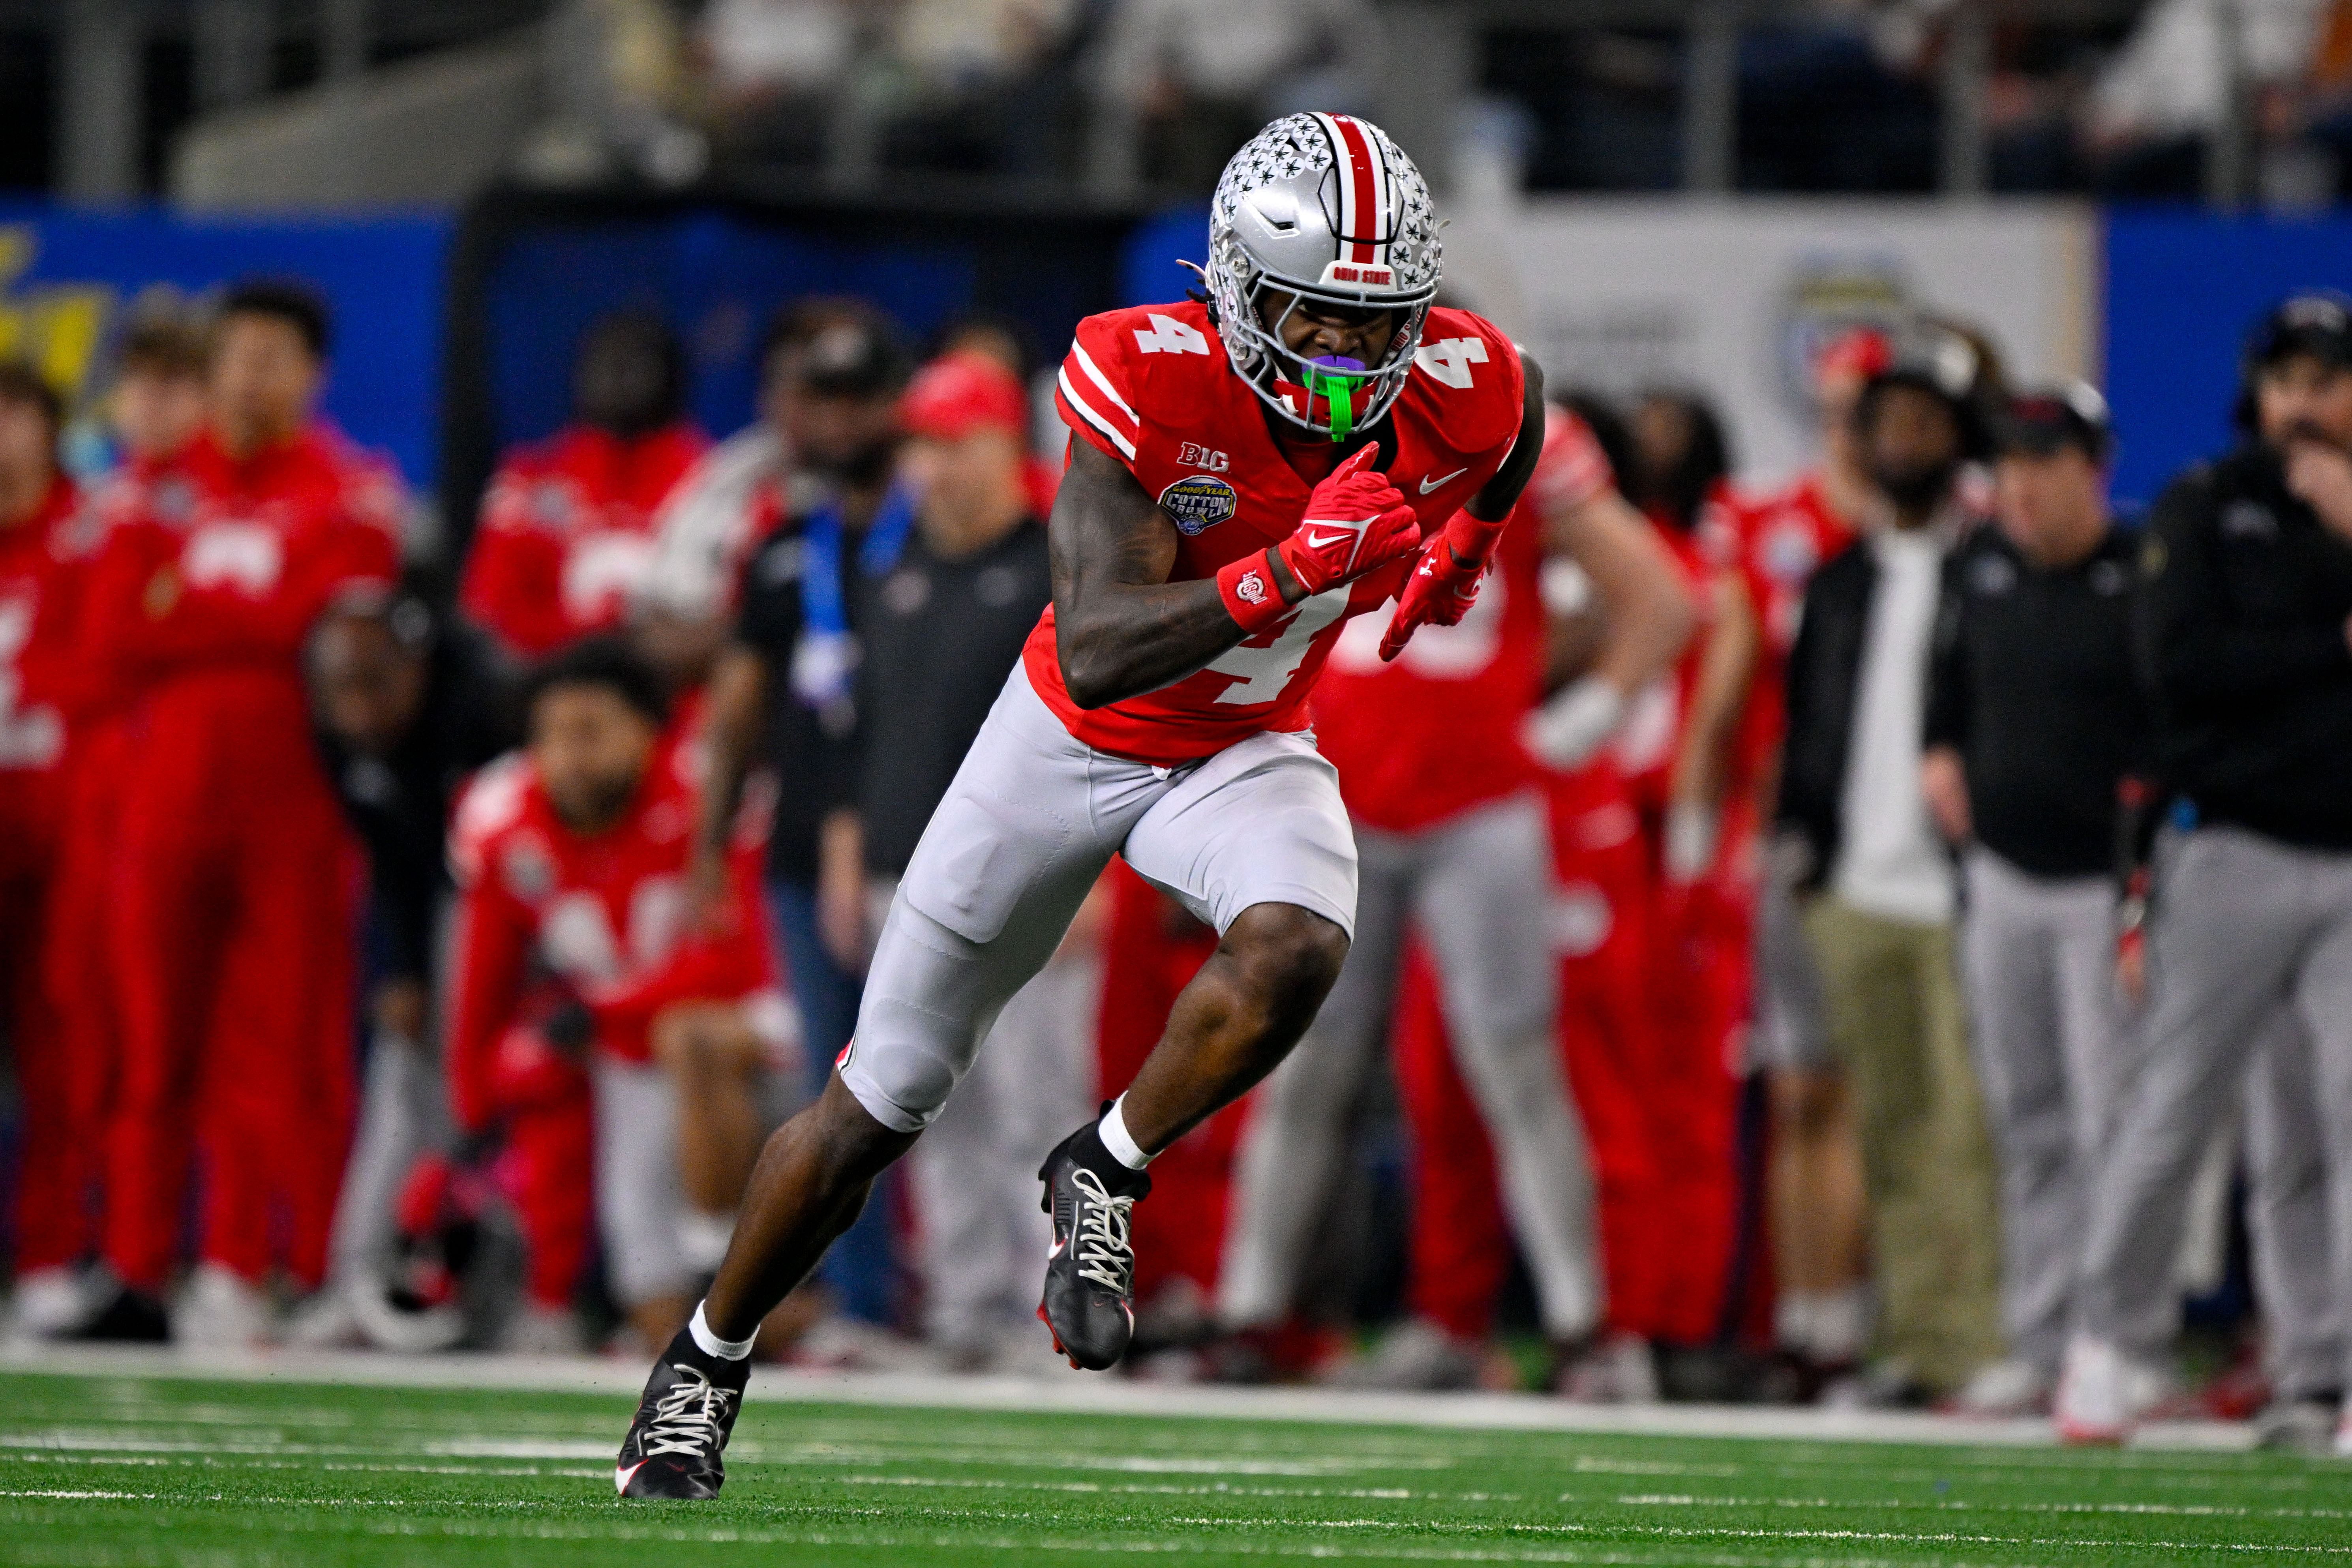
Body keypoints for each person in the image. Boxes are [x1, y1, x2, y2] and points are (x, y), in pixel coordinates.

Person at [615, 111, 1544, 1499]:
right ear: (1235, 286)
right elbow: (1099, 641)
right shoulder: (1141, 371)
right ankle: (700, 1362)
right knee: (877, 1102)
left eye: (1376, 324)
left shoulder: (1453, 382)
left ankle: (1101, 1169)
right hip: (1063, 739)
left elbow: (1515, 410)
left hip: (1241, 744)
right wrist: (1290, 567)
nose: (1351, 361)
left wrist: (1463, 548)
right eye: (1316, 320)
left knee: (1297, 944)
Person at [1219, 394, 1690, 1392]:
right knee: (1302, 1061)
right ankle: (1250, 1312)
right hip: (1338, 793)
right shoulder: (1300, 412)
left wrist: (1582, 718)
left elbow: (1662, 597)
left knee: (1514, 1066)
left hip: (1474, 805)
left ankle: (1586, 1327)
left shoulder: (1522, 430)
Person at [2056, 293, 2352, 1452]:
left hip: (2349, 855)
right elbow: (2180, 667)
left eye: (2326, 377)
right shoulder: (2206, 504)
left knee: (2336, 1120)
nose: (2305, 401)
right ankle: (2105, 1339)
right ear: (2256, 394)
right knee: (2173, 1109)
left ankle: (2324, 1369)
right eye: (2286, 379)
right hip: (2228, 845)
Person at [84, 281, 405, 1345]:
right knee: (151, 1046)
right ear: (214, 368)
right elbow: (113, 636)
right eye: (239, 356)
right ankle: (137, 1271)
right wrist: (259, 621)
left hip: (294, 805)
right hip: (166, 801)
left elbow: (339, 633)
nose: (254, 376)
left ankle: (273, 1264)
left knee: (284, 1049)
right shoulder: (146, 491)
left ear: (312, 375)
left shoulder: (351, 489)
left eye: (277, 358)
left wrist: (201, 613)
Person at [829, 350, 1074, 1370]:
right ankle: (968, 1311)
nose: (938, 467)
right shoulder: (893, 572)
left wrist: (1096, 871)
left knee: (1038, 1101)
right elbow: (868, 727)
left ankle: (1048, 1309)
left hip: (1029, 876)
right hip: (905, 870)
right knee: (925, 1104)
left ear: (1007, 447)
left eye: (959, 443)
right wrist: (849, 850)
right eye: (924, 444)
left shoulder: (1054, 562)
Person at [1774, 324, 2005, 1405]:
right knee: (1889, 1127)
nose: (1904, 438)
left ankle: (1985, 1343)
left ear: (1959, 439)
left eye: (1925, 420)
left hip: (1962, 891)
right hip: (1853, 888)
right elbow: (1806, 722)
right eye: (1887, 421)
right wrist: (1802, 847)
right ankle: (1914, 1345)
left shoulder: (1991, 570)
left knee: (1972, 1128)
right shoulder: (1837, 579)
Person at [445, 638, 788, 1352]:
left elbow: (727, 963)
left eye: (591, 732)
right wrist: (477, 1099)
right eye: (552, 735)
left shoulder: (702, 795)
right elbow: (482, 980)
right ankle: (566, 1296)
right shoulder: (506, 817)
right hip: (626, 1051)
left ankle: (727, 1273)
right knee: (649, 1294)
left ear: (647, 731)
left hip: (756, 1028)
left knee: (685, 1037)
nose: (569, 756)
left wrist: (594, 1015)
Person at [1918, 383, 2148, 1416]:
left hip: (2104, 887)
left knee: (2113, 1123)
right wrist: (1936, 752)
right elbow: (1945, 683)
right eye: (2007, 461)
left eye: (2041, 462)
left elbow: (2170, 723)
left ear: (2088, 469)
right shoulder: (1979, 565)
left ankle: (2114, 1341)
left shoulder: (2140, 575)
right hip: (2001, 877)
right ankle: (2041, 1334)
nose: (2018, 483)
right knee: (2026, 1119)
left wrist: (2149, 872)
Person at [686, 301, 913, 1343]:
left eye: (856, 399)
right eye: (818, 400)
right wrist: (704, 848)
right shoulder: (785, 544)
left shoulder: (945, 531)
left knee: (946, 1074)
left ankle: (972, 1294)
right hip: (798, 851)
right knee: (840, 1083)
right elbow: (737, 712)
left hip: (925, 844)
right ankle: (864, 1301)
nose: (835, 423)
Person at [30, 320, 211, 1342]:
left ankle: (161, 1257)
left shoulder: (197, 506)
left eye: (174, 386)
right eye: (139, 388)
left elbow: (140, 642)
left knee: (161, 1043)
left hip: (161, 790)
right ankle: (83, 1249)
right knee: (83, 1038)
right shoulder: (103, 510)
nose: (153, 408)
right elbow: (78, 652)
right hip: (85, 801)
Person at [297, 587, 516, 1347]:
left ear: (417, 668)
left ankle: (515, 1290)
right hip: (435, 901)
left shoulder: (484, 710)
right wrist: (403, 969)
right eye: (339, 691)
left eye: (372, 685)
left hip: (523, 908)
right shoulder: (341, 733)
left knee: (483, 1092)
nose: (356, 711)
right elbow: (389, 854)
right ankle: (358, 1275)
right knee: (401, 1068)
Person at [1729, 327, 1881, 1391]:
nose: (1842, 426)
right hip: (1793, 832)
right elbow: (1731, 682)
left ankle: (1860, 1318)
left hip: (1895, 841)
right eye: (1830, 404)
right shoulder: (1767, 521)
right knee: (1798, 1092)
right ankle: (1803, 1315)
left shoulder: (1934, 525)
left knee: (1886, 1093)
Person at [0, 363, 88, 1338]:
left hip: (63, 829)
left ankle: (53, 1251)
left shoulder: (90, 533)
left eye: (14, 415)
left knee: (61, 1052)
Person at [462, 312, 707, 660]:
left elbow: (724, 622)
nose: (616, 379)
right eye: (605, 363)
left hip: (674, 688)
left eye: (635, 365)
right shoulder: (530, 478)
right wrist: (591, 640)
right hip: (548, 682)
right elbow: (488, 611)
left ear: (671, 376)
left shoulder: (715, 484)